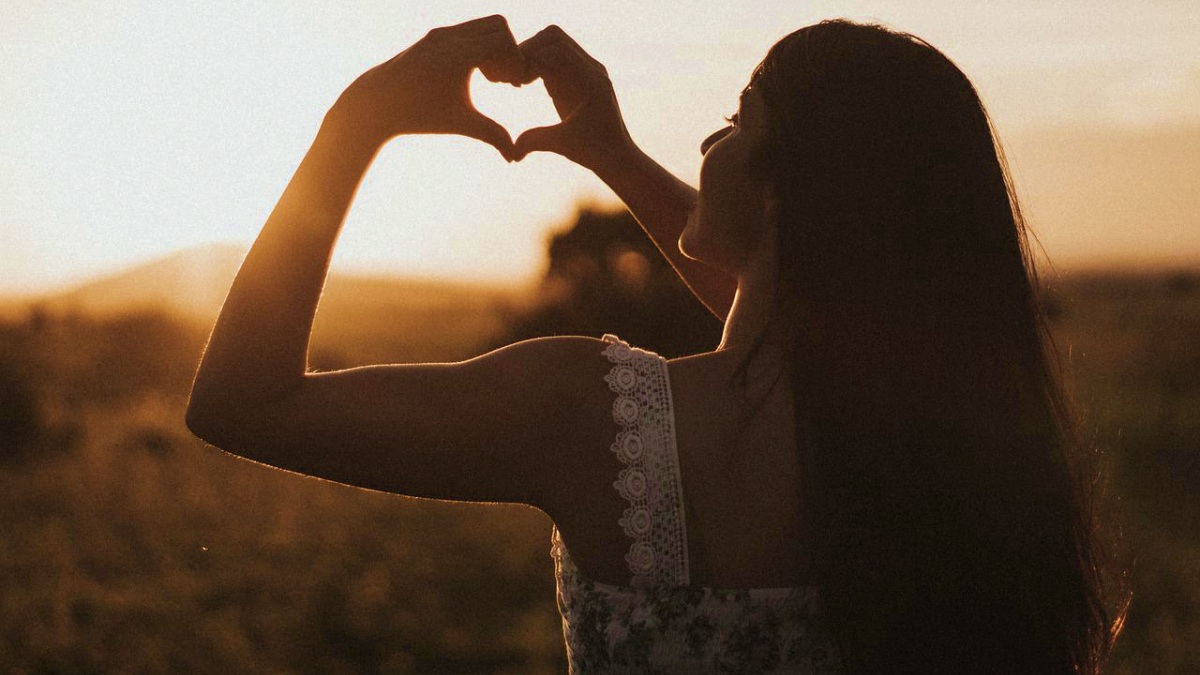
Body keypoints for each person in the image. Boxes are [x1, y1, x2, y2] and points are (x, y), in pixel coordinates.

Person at [186, 15, 1125, 674]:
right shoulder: (952, 453)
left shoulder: (596, 422)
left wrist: (362, 116)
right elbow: (802, 308)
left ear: (783, 192)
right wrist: (612, 151)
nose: (710, 140)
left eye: (736, 121)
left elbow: (242, 400)